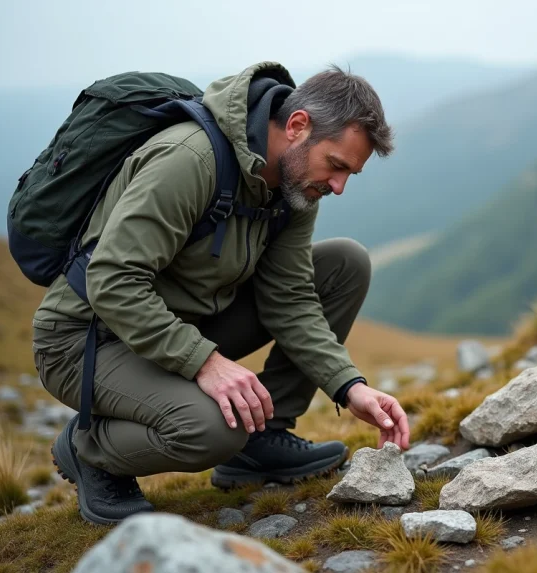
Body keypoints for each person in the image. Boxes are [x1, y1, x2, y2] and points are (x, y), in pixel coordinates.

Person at [31, 61, 411, 525]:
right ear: (297, 126)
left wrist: (350, 387)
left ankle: (264, 439)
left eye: (349, 173)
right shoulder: (190, 160)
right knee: (212, 430)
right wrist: (205, 363)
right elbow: (112, 281)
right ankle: (88, 449)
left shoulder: (293, 188)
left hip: (176, 324)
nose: (339, 187)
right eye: (335, 166)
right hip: (86, 338)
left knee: (344, 264)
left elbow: (289, 300)